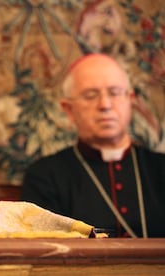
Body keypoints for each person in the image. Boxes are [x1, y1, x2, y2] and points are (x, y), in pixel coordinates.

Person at [21, 53, 165, 238]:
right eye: (90, 95)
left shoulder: (160, 169)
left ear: (130, 101)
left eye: (114, 93)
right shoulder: (45, 176)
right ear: (69, 110)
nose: (105, 104)